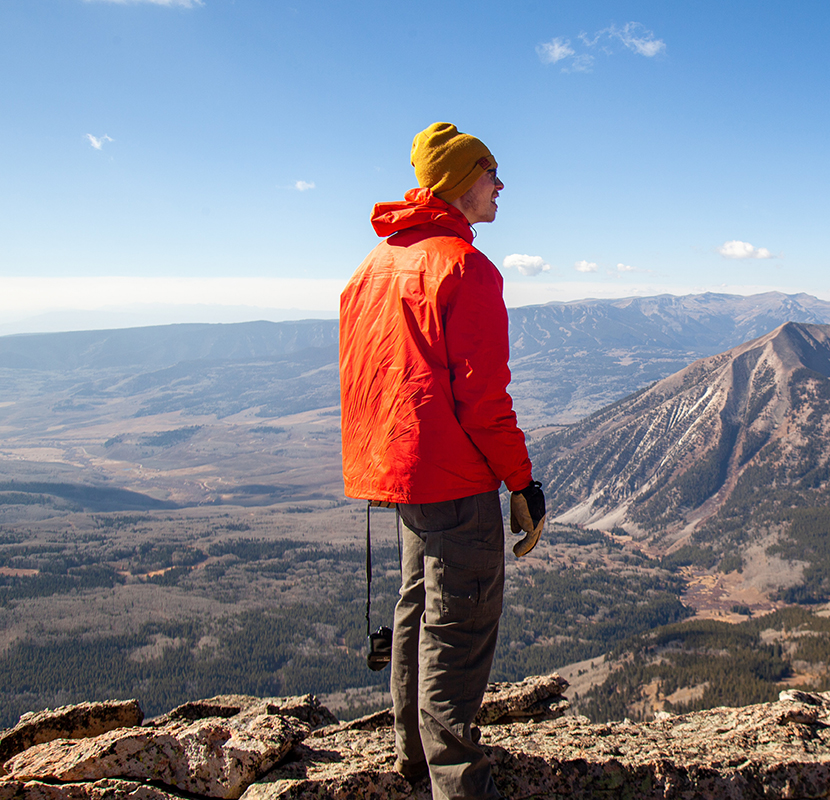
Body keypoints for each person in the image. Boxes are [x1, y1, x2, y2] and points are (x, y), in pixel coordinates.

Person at [339, 122, 546, 800]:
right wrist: (521, 483)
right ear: (459, 183)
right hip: (454, 478)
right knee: (458, 624)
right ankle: (459, 785)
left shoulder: (374, 266)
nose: (501, 184)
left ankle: (411, 762)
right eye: (490, 171)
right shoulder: (463, 267)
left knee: (417, 609)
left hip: (401, 476)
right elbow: (483, 398)